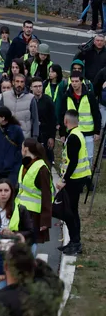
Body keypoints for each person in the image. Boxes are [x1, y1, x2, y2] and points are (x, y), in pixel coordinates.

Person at [57, 108, 90, 255]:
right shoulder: (77, 133)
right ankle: (74, 241)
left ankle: (76, 242)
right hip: (76, 179)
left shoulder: (73, 137)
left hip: (74, 180)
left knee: (70, 212)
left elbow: (73, 161)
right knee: (72, 211)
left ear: (65, 121)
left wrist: (64, 180)